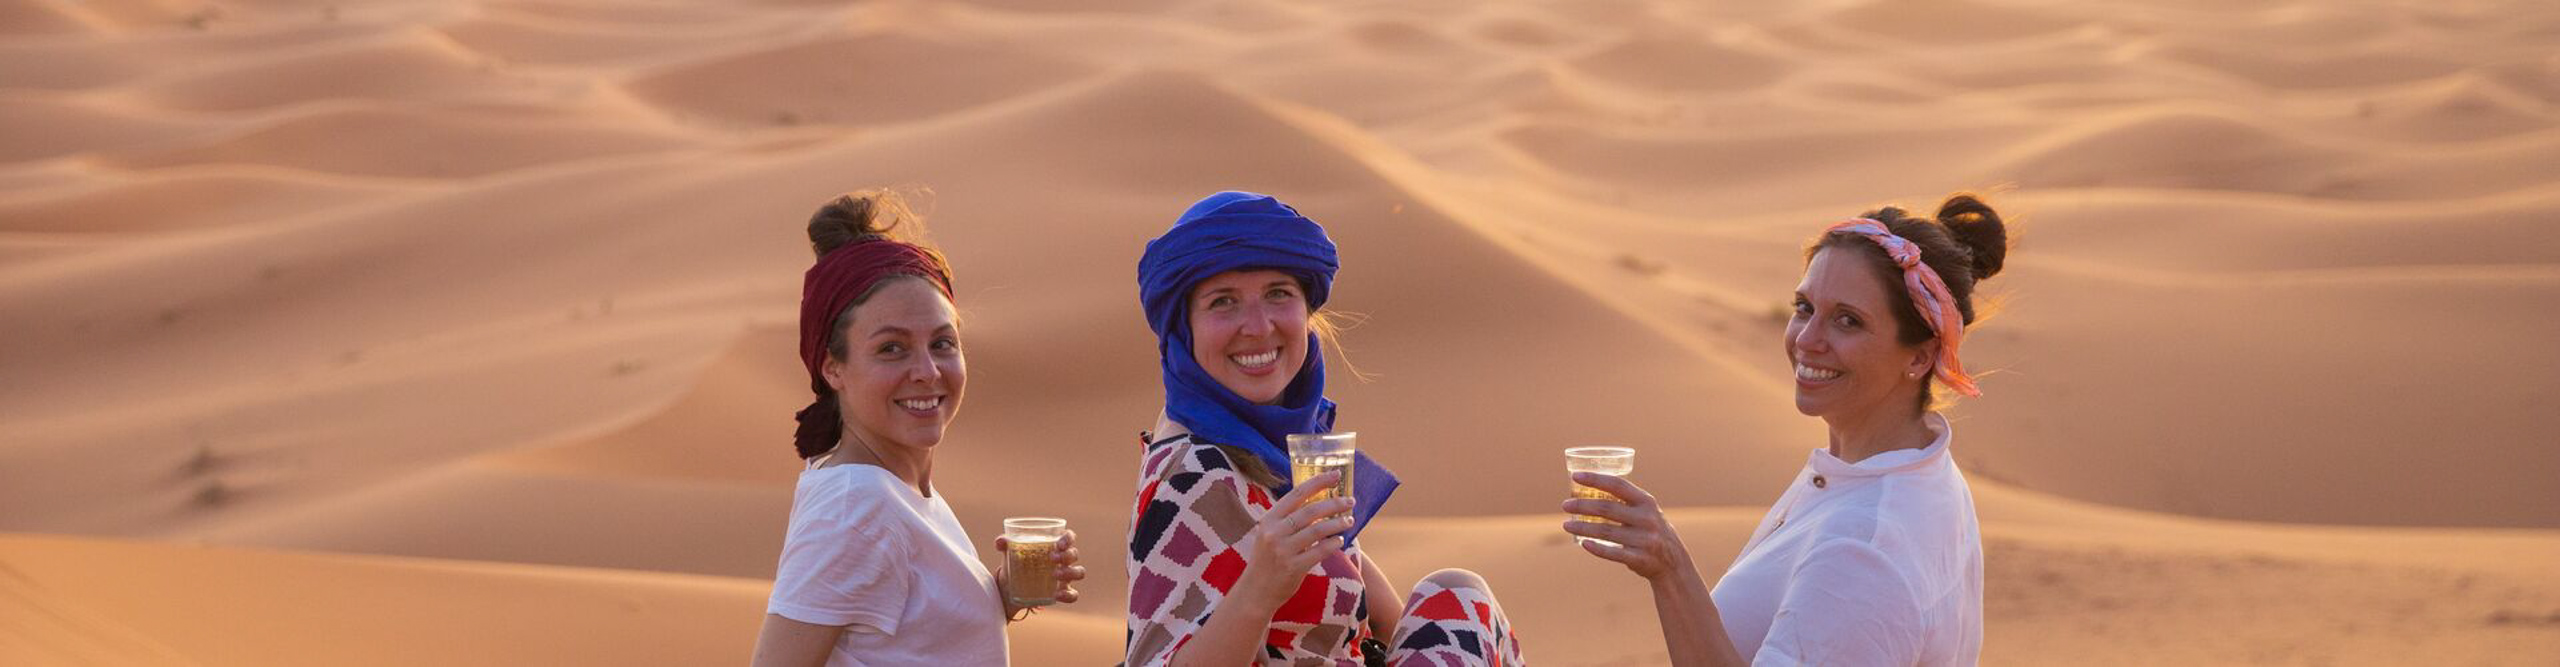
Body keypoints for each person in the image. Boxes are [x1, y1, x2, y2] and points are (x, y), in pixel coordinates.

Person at [1564, 194, 2011, 665]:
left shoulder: (1863, 548)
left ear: (1920, 356)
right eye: (1804, 307)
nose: (1807, 339)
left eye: (1847, 321)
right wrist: (1667, 568)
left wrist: (1671, 568)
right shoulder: (1907, 476)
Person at [1124, 191, 1526, 666]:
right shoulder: (1194, 476)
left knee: (1455, 593)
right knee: (1459, 594)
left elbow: (1382, 616)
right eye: (1223, 302)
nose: (1258, 326)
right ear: (1184, 328)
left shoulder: (1269, 453)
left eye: (1278, 293)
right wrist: (1260, 588)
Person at [752, 191, 1087, 667]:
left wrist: (1003, 594)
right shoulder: (857, 508)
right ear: (833, 369)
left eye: (943, 343)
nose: (927, 371)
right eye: (892, 348)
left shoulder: (894, 491)